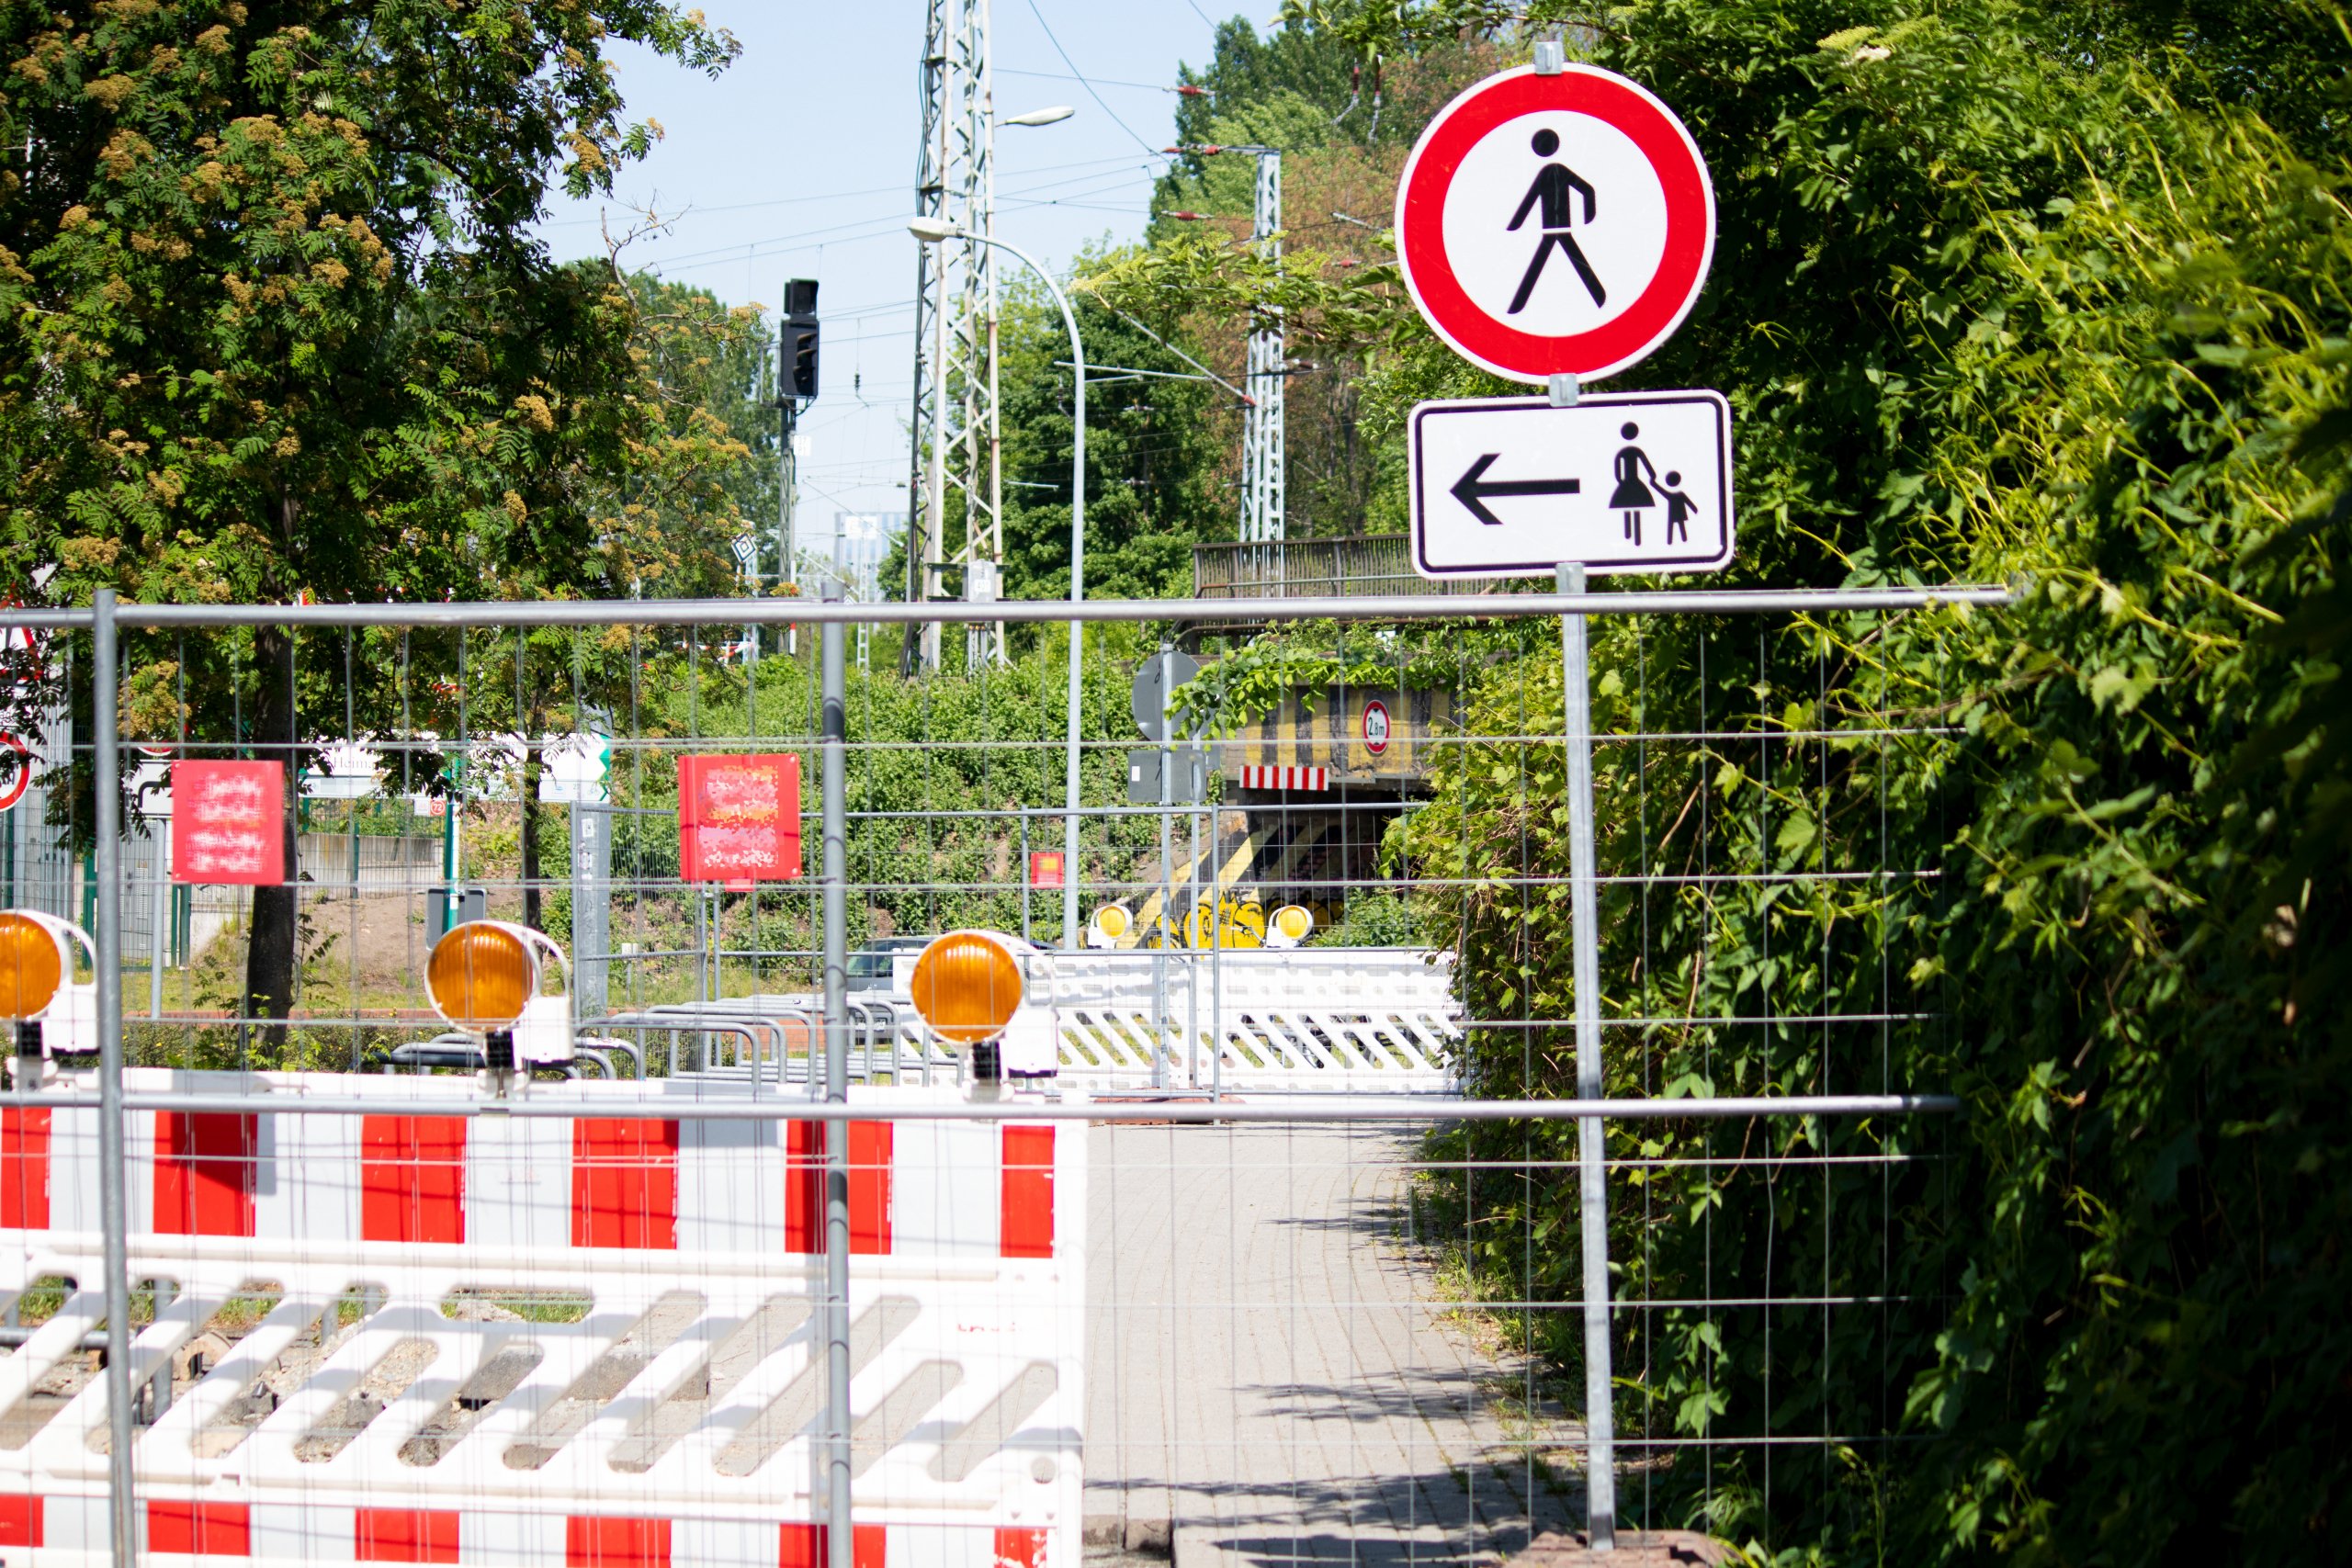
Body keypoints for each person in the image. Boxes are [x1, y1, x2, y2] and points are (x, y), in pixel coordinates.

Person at [1506, 128, 1605, 313]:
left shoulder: (1553, 171)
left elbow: (1530, 200)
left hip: (1556, 227)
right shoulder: (1555, 170)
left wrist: (1516, 224)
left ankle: (1517, 305)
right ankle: (1600, 297)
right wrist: (1588, 215)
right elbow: (1587, 191)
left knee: (1544, 262)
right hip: (1556, 227)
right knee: (1556, 261)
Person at [1609, 423, 1658, 545]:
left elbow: (1618, 470)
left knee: (1633, 507)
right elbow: (1618, 469)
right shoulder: (1633, 451)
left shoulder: (1627, 452)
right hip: (1631, 482)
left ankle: (1633, 537)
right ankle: (1629, 536)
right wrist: (1652, 476)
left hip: (1629, 482)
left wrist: (1620, 481)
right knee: (1628, 507)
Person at [1658, 471, 1696, 545]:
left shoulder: (1677, 495)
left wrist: (1694, 509)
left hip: (1676, 513)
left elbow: (1688, 502)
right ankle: (1670, 541)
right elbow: (1661, 491)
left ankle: (1679, 540)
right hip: (1676, 513)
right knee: (1675, 526)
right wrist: (1694, 509)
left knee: (1679, 526)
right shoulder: (1673, 495)